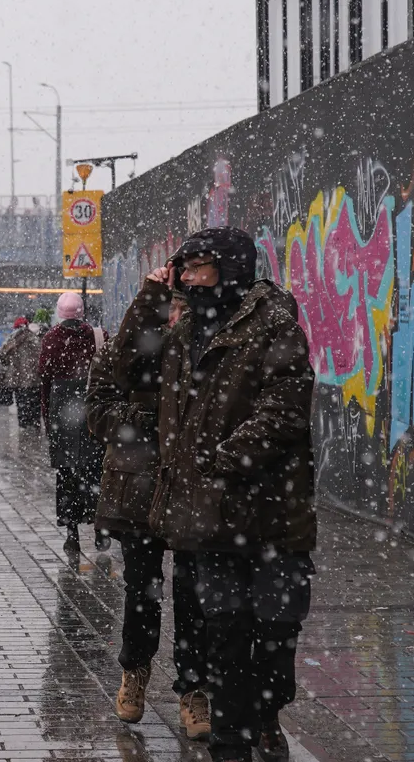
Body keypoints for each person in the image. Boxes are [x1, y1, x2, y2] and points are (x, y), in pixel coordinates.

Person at [141, 226, 316, 762]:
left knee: (275, 627)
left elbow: (285, 409)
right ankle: (231, 738)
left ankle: (266, 713)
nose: (188, 278)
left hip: (270, 515)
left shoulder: (273, 323)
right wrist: (150, 299)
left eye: (198, 267)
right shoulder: (182, 330)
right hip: (210, 517)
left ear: (231, 267)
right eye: (183, 269)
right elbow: (129, 372)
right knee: (224, 627)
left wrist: (222, 460)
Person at [87, 289, 210, 738]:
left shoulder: (205, 348)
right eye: (168, 309)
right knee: (143, 589)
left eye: (183, 309)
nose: (175, 318)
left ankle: (194, 689)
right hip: (138, 486)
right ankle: (134, 673)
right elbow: (95, 412)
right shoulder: (125, 350)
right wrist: (138, 417)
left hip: (193, 488)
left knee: (193, 593)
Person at [39, 291, 106, 553]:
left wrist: (46, 417)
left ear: (59, 311)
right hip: (92, 414)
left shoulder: (51, 339)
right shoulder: (99, 336)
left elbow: (44, 381)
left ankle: (72, 534)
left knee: (67, 474)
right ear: (81, 311)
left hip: (62, 415)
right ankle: (101, 530)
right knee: (96, 471)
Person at [0, 316, 41, 429]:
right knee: (35, 405)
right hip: (35, 379)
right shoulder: (35, 338)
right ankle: (35, 427)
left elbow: (2, 357)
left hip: (18, 379)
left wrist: (10, 363)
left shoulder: (11, 340)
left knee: (22, 405)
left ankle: (24, 427)